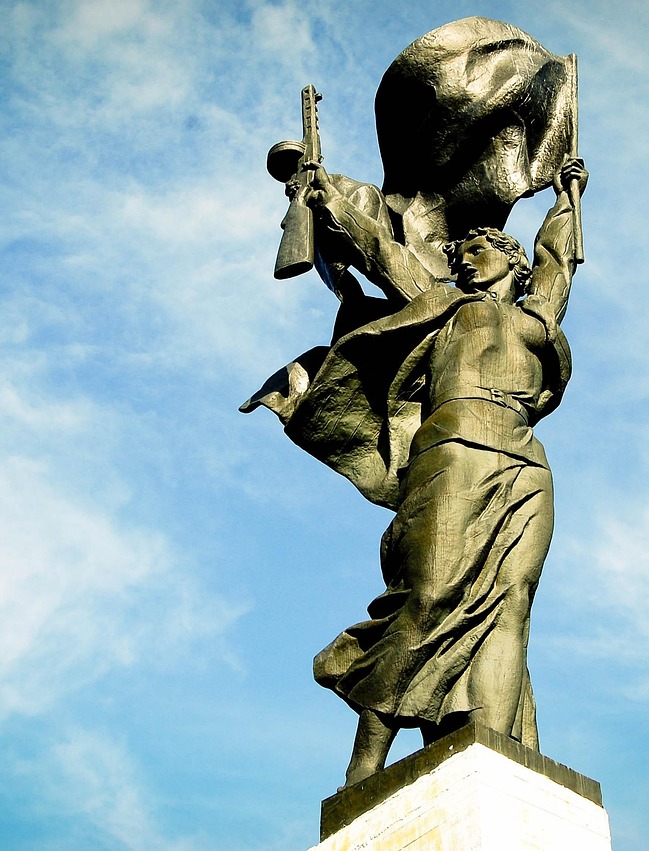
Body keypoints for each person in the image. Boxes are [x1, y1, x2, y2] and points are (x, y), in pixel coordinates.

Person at [243, 158, 586, 786]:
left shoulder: (536, 320)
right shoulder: (443, 303)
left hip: (525, 466)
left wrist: (567, 196)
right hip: (450, 452)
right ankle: (365, 763)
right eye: (459, 255)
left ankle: (494, 748)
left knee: (509, 605)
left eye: (478, 251)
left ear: (512, 261)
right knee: (427, 597)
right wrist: (328, 197)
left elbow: (557, 260)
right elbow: (382, 251)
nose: (464, 261)